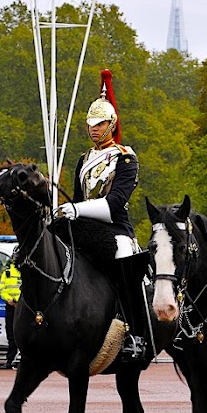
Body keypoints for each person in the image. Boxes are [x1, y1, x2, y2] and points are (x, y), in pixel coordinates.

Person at [54, 69, 151, 361]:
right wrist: (65, 211)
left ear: (112, 124)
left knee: (123, 256)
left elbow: (115, 202)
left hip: (114, 227)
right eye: (91, 124)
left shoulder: (125, 157)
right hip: (82, 223)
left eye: (100, 124)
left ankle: (136, 332)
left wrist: (76, 209)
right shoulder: (84, 158)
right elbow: (77, 196)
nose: (94, 129)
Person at [0, 257, 21, 369]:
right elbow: (2, 289)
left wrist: (17, 300)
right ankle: (10, 360)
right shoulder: (6, 272)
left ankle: (21, 360)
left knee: (22, 334)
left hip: (23, 306)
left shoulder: (24, 270)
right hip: (10, 306)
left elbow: (26, 287)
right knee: (11, 334)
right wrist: (9, 300)